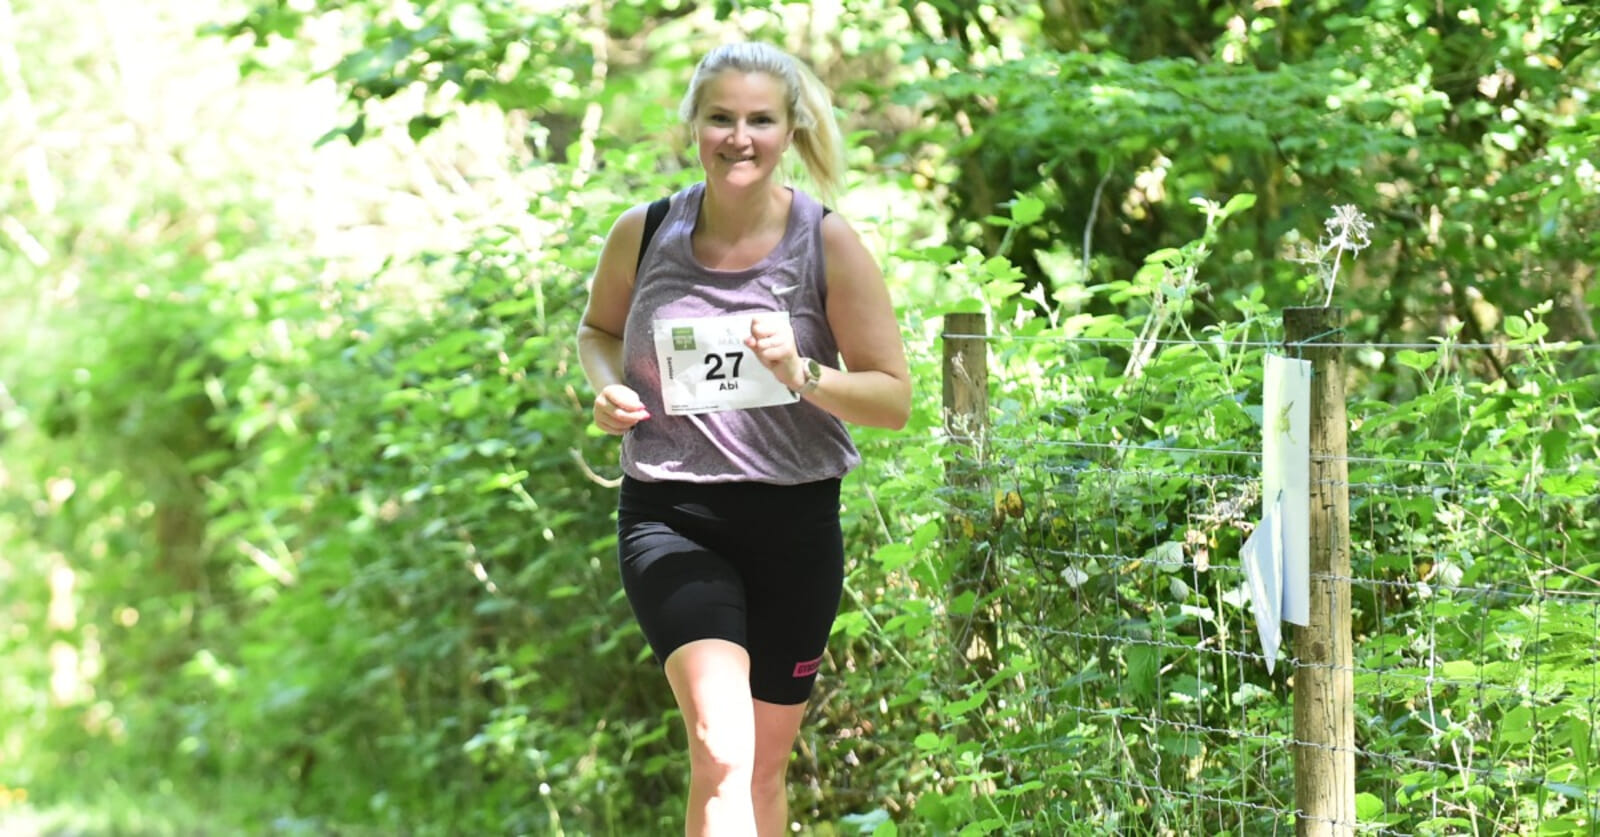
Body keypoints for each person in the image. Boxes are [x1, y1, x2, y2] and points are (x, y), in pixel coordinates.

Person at [575, 40, 911, 837]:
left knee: (759, 770)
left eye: (760, 120)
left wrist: (802, 371)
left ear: (790, 131)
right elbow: (597, 329)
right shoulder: (645, 231)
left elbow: (893, 400)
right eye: (721, 118)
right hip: (672, 516)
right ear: (693, 124)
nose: (739, 137)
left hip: (795, 526)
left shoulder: (826, 243)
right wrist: (606, 389)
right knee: (721, 747)